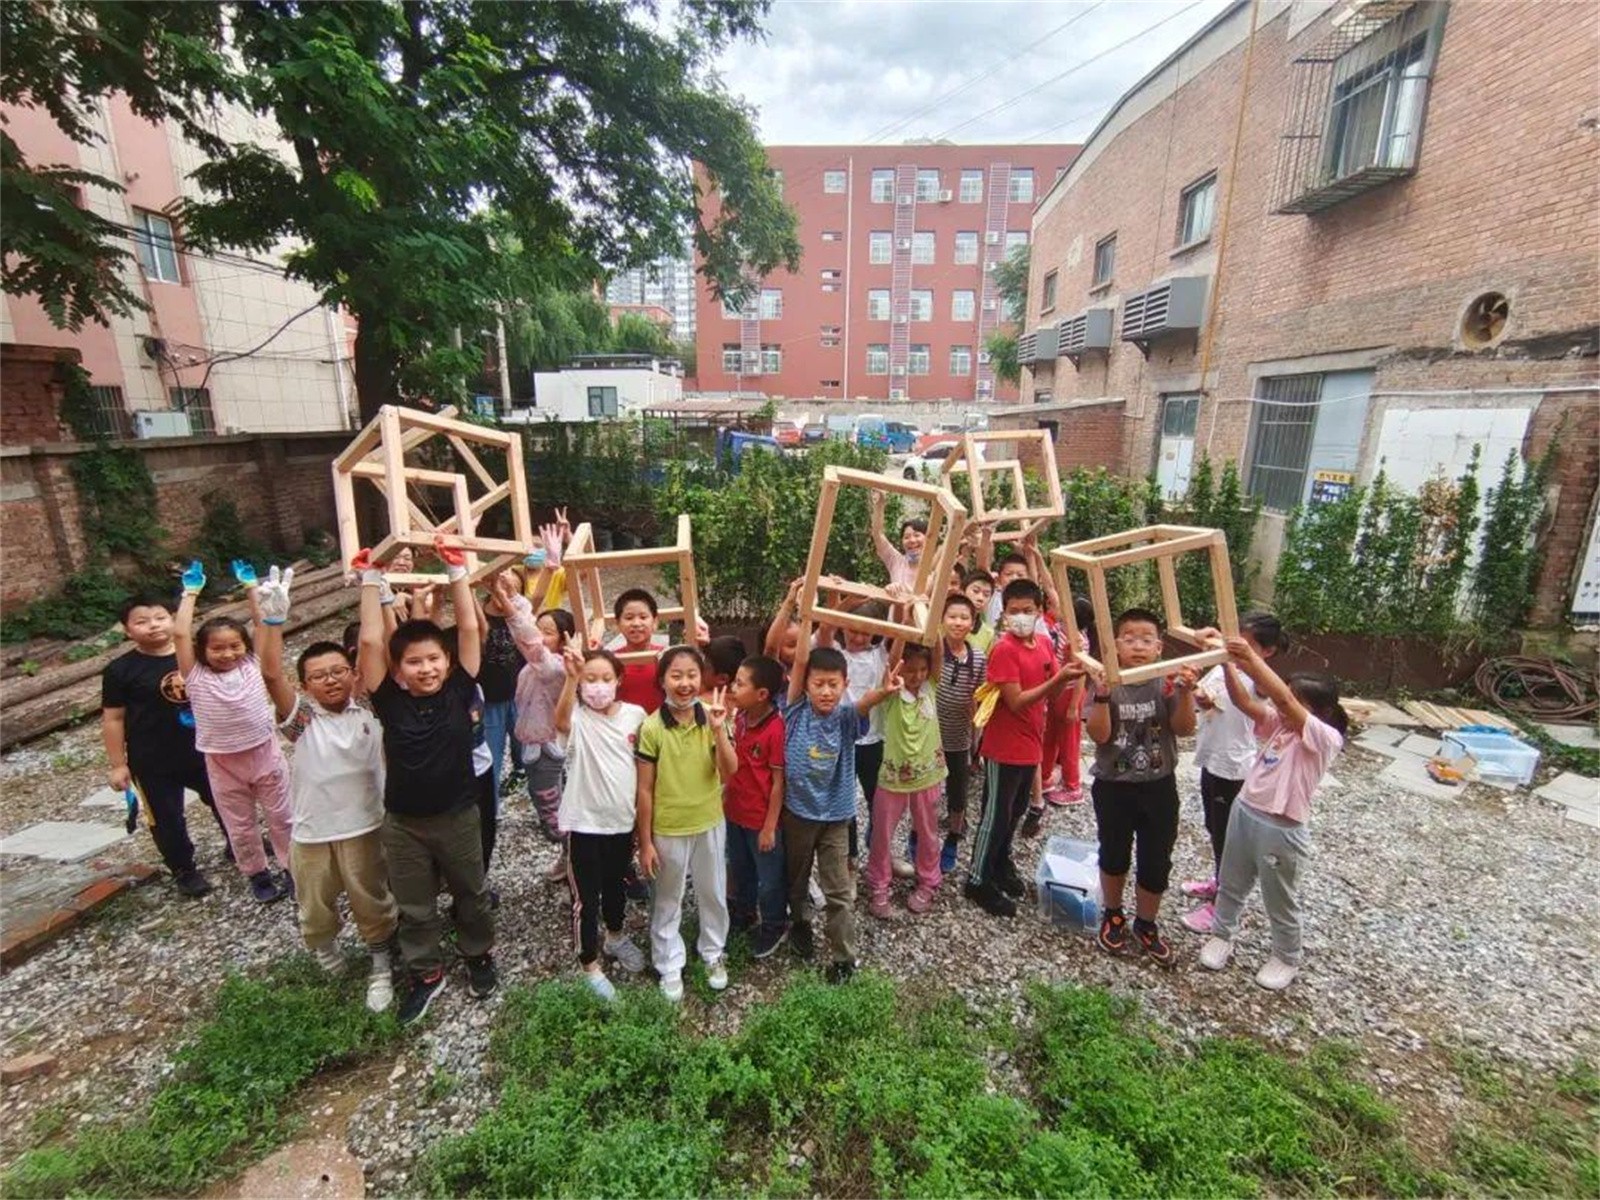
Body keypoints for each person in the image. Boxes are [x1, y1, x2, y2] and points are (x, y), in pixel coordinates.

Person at [355, 538, 496, 1024]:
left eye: (433, 659)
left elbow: (472, 627)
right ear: (398, 670)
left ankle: (478, 954)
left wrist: (457, 572)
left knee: (471, 893)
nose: (426, 668)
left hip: (458, 813)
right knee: (413, 905)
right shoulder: (388, 699)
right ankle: (426, 972)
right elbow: (372, 642)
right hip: (404, 823)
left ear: (448, 662)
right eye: (414, 662)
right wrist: (371, 577)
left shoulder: (461, 688)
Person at [256, 568, 398, 1012]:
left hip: (365, 824)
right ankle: (324, 948)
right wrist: (273, 623)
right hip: (313, 831)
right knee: (314, 905)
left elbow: (384, 650)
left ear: (354, 675)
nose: (332, 680)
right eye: (319, 675)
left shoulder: (372, 710)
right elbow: (271, 675)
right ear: (306, 686)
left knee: (370, 898)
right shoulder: (303, 722)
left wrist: (380, 596)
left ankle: (380, 962)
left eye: (339, 671)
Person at [1199, 637, 1347, 990]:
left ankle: (1286, 956)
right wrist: (1228, 663)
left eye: (1296, 702)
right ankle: (1222, 935)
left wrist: (1251, 658)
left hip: (1281, 827)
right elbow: (1244, 702)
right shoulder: (1279, 725)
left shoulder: (1323, 737)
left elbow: (1280, 697)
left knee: (1279, 896)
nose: (1284, 706)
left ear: (1319, 712)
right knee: (1231, 880)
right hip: (1246, 810)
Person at [173, 560, 294, 904]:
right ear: (202, 652)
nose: (227, 653)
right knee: (240, 826)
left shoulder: (254, 664)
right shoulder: (195, 675)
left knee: (282, 817)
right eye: (217, 648)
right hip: (223, 762)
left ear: (245, 647)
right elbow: (180, 633)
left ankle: (291, 868)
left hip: (264, 753)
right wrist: (190, 593)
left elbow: (260, 622)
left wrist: (252, 588)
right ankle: (256, 873)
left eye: (233, 646)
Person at [1085, 607, 1199, 967]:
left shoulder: (1166, 681)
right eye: (1129, 638)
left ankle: (1146, 924)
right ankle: (1113, 913)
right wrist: (1102, 695)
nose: (1138, 645)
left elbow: (1184, 728)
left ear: (1159, 647)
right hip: (1114, 785)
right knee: (1114, 852)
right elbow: (1099, 735)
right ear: (1115, 644)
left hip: (1158, 785)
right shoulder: (1105, 680)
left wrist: (1186, 693)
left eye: (1146, 639)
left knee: (1156, 858)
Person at [102, 591, 231, 898]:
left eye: (161, 618)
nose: (154, 626)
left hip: (205, 748)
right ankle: (183, 869)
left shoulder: (198, 654)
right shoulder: (120, 670)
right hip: (152, 760)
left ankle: (240, 845)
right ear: (126, 629)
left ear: (174, 620)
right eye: (142, 622)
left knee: (227, 801)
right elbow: (114, 719)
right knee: (166, 817)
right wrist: (118, 764)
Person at [781, 646, 897, 983]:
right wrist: (799, 605)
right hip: (798, 815)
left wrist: (882, 693)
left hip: (835, 817)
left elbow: (863, 705)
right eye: (819, 684)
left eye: (833, 684)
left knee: (839, 890)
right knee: (797, 879)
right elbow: (801, 659)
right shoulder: (794, 711)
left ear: (845, 684)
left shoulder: (847, 718)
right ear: (805, 685)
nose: (826, 691)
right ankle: (800, 923)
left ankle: (844, 958)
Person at [966, 578, 1082, 917]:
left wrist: (1075, 676)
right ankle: (977, 879)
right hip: (1003, 746)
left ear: (1040, 613)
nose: (1020, 617)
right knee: (995, 816)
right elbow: (1015, 702)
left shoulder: (1044, 646)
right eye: (1013, 612)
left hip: (1031, 743)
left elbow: (1055, 688)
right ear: (1003, 615)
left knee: (1014, 812)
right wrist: (1058, 681)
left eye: (1027, 611)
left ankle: (1000, 864)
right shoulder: (1004, 649)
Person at [634, 646, 736, 1002]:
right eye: (676, 675)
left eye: (692, 675)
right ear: (662, 680)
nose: (684, 683)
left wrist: (720, 730)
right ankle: (668, 963)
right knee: (668, 897)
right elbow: (644, 790)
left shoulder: (713, 715)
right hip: (668, 827)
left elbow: (730, 771)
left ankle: (712, 952)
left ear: (702, 678)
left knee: (712, 891)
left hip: (709, 820)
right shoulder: (650, 727)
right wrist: (644, 841)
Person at [552, 644, 649, 1001]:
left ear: (619, 680)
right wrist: (571, 677)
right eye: (590, 679)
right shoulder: (577, 715)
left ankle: (615, 935)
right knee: (585, 898)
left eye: (605, 678)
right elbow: (559, 722)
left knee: (616, 885)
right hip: (584, 825)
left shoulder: (636, 715)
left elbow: (645, 767)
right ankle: (589, 963)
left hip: (622, 822)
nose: (598, 686)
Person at [1180, 613, 1287, 934]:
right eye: (1235, 638)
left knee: (1229, 838)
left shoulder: (1260, 678)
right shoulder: (1223, 664)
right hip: (1211, 758)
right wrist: (1202, 698)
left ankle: (1223, 906)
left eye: (1248, 644)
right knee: (1214, 827)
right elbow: (1210, 703)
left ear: (1265, 652)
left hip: (1233, 766)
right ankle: (1218, 881)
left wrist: (1233, 661)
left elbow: (1256, 695)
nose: (1237, 647)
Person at [496, 571, 573, 864]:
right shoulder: (540, 663)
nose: (541, 635)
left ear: (565, 639)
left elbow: (527, 637)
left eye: (549, 632)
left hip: (546, 746)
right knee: (552, 794)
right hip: (537, 743)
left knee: (549, 802)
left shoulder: (554, 667)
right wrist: (509, 596)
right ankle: (570, 857)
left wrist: (505, 600)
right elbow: (527, 623)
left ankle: (570, 850)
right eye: (540, 628)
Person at [863, 643, 943, 917]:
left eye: (922, 669)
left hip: (928, 774)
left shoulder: (930, 686)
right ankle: (878, 884)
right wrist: (905, 621)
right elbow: (894, 658)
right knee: (882, 833)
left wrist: (933, 626)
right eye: (910, 670)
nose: (917, 676)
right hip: (894, 775)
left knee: (927, 831)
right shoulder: (893, 692)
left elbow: (938, 654)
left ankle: (929, 881)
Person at [723, 655, 789, 958]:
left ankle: (775, 924)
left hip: (761, 820)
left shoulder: (776, 728)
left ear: (762, 694)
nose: (732, 687)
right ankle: (745, 913)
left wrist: (770, 827)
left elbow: (778, 782)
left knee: (770, 879)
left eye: (739, 683)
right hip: (734, 813)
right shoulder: (739, 717)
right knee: (741, 868)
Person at [933, 592, 985, 873]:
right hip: (930, 736)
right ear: (941, 620)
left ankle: (953, 837)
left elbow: (980, 697)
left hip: (960, 737)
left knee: (958, 792)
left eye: (964, 617)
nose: (958, 622)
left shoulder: (977, 657)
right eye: (952, 616)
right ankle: (922, 837)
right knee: (928, 791)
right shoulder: (933, 649)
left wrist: (977, 737)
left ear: (973, 622)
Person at [610, 588, 669, 712]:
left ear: (655, 622)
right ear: (618, 624)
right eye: (629, 618)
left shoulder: (667, 657)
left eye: (643, 617)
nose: (636, 623)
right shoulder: (610, 661)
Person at [868, 491, 926, 590]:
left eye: (917, 535)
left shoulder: (934, 564)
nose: (912, 540)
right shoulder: (897, 561)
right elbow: (877, 534)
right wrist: (880, 503)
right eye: (906, 537)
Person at [963, 571, 997, 653]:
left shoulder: (989, 633)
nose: (980, 598)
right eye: (975, 591)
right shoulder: (943, 621)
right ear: (962, 591)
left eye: (986, 595)